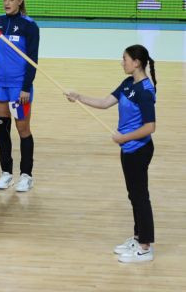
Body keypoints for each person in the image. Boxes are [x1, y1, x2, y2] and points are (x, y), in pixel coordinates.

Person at [65, 45, 157, 263]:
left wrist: (124, 138)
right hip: (128, 149)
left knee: (140, 196)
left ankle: (145, 247)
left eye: (124, 59)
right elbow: (105, 102)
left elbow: (150, 127)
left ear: (136, 63)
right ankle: (138, 237)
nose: (121, 62)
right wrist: (78, 97)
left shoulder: (145, 90)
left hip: (139, 149)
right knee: (133, 195)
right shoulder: (128, 84)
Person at [0, 0, 39, 192]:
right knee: (2, 128)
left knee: (22, 129)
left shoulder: (29, 26)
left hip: (18, 88)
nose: (7, 3)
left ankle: (26, 175)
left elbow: (33, 59)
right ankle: (6, 173)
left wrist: (26, 87)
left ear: (20, 1)